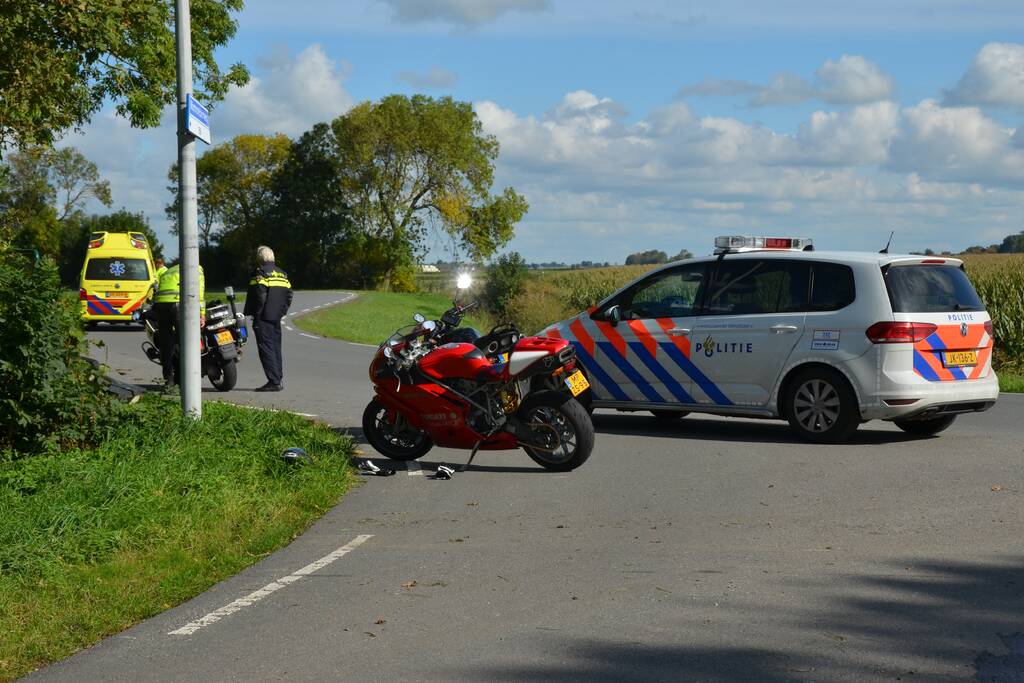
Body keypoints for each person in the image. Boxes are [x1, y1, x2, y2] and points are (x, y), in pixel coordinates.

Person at [244, 246, 293, 392]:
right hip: (276, 316)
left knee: (266, 349)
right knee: (276, 348)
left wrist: (257, 314)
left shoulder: (261, 274)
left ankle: (274, 381)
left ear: (259, 258)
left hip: (263, 318)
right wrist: (281, 311)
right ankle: (278, 378)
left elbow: (259, 295)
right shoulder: (283, 274)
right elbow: (289, 294)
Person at [152, 261, 206, 387]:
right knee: (186, 343)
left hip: (161, 305)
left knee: (167, 345)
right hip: (177, 304)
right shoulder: (196, 268)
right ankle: (185, 380)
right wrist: (202, 314)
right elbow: (199, 292)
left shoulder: (169, 270)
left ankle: (168, 381)